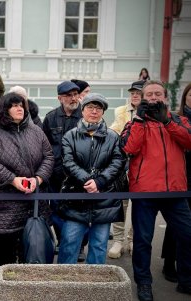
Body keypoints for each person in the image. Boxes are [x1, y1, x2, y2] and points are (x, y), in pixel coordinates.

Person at [121, 80, 191, 301]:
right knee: (142, 241)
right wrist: (140, 120)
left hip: (175, 191)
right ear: (142, 98)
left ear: (165, 97)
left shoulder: (179, 120)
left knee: (188, 236)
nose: (153, 98)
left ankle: (187, 280)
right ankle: (144, 284)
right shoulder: (134, 123)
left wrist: (167, 121)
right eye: (149, 94)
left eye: (157, 94)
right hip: (145, 192)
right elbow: (129, 149)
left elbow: (189, 141)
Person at [0, 93, 54, 267]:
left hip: (33, 198)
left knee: (32, 240)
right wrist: (12, 179)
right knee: (7, 242)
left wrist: (38, 178)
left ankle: (28, 279)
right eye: (14, 105)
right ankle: (7, 279)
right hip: (5, 200)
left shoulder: (35, 131)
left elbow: (48, 156)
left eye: (21, 105)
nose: (19, 108)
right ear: (5, 109)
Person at [57, 93, 125, 265]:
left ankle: (94, 285)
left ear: (103, 112)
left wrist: (100, 181)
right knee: (69, 244)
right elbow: (68, 162)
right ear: (83, 110)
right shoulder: (70, 136)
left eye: (98, 108)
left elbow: (118, 161)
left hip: (104, 199)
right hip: (76, 197)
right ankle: (64, 283)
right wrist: (87, 181)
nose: (94, 111)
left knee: (99, 245)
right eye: (90, 107)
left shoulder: (112, 136)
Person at [41, 81, 87, 261]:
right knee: (57, 210)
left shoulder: (86, 115)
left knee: (79, 210)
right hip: (56, 175)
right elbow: (44, 146)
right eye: (68, 95)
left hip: (79, 174)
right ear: (60, 98)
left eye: (75, 94)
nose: (73, 98)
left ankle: (80, 245)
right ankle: (62, 241)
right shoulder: (51, 117)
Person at [107, 80, 145, 259]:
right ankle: (118, 240)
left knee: (140, 204)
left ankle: (132, 239)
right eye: (132, 93)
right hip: (123, 162)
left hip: (143, 164)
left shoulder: (151, 112)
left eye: (138, 92)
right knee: (120, 203)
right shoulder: (120, 111)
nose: (135, 95)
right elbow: (115, 129)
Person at [160, 82, 191, 283]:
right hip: (183, 174)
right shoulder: (178, 118)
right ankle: (169, 263)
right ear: (185, 98)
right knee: (177, 224)